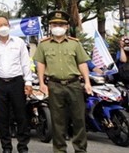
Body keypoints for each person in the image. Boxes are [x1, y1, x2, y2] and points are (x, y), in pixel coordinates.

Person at [33, 10, 92, 153]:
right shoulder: (44, 44)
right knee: (58, 121)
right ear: (50, 26)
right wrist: (42, 83)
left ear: (66, 27)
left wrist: (88, 82)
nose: (57, 26)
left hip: (74, 84)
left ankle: (80, 150)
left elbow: (82, 63)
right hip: (54, 85)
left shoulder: (75, 44)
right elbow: (40, 64)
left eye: (61, 24)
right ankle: (60, 150)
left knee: (79, 120)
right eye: (54, 24)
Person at [0, 16, 32, 153]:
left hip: (17, 82)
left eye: (5, 24)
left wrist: (28, 82)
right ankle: (6, 147)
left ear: (9, 25)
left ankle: (23, 146)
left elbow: (25, 63)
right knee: (2, 117)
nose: (3, 27)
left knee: (21, 116)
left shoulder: (19, 42)